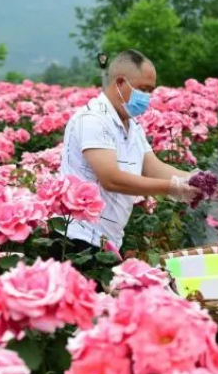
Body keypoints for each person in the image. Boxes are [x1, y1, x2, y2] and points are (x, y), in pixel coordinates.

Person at [52, 50, 202, 259]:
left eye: (151, 91)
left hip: (107, 239)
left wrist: (194, 179)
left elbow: (153, 167)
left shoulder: (131, 125)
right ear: (121, 82)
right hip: (78, 240)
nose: (148, 97)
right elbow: (111, 179)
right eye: (144, 89)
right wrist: (172, 188)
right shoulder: (93, 119)